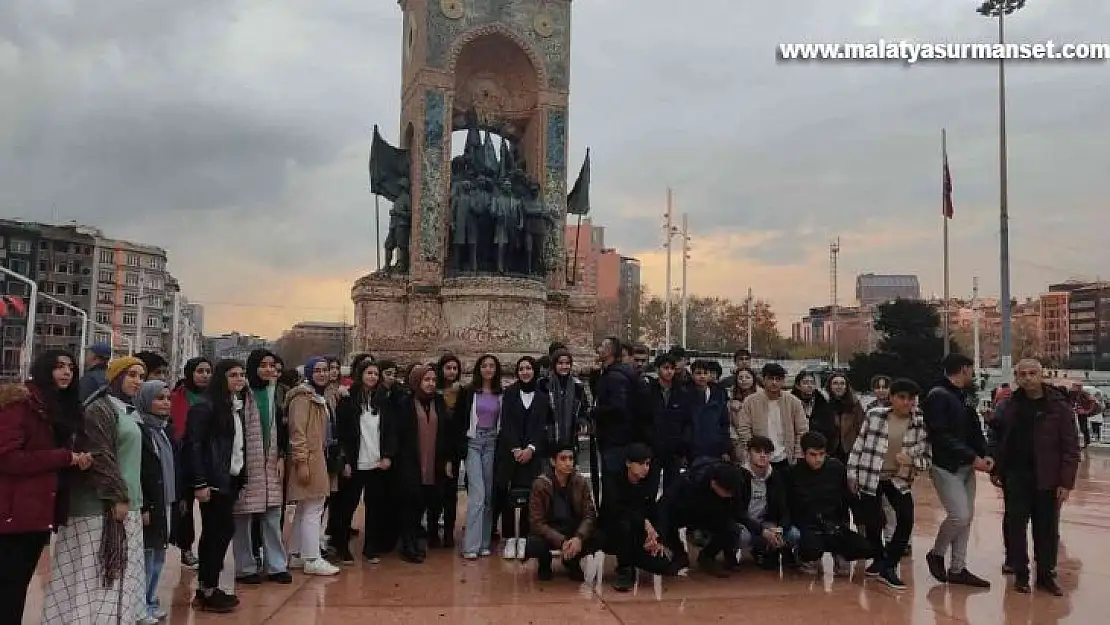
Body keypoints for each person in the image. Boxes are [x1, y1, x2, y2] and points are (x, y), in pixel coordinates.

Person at [42, 356, 148, 624]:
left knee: (117, 576)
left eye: (141, 376)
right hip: (99, 508)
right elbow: (100, 455)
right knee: (90, 575)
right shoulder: (99, 409)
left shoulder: (129, 410)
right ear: (115, 377)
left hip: (126, 505)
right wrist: (117, 497)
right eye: (132, 374)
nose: (137, 381)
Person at [0, 351, 90, 624]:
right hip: (13, 512)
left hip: (39, 512)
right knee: (9, 587)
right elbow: (8, 458)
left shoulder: (59, 408)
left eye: (71, 368)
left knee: (16, 585)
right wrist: (64, 457)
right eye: (59, 367)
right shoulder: (21, 405)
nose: (66, 372)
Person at [988, 359, 1080, 596]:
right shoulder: (1008, 406)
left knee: (1047, 529)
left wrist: (1066, 482)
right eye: (1023, 374)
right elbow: (995, 437)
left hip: (1048, 477)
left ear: (1041, 375)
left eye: (1032, 373)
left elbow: (1071, 446)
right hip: (1016, 476)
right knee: (1016, 526)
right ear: (1017, 378)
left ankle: (1046, 575)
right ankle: (1020, 573)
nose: (1028, 378)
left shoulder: (1059, 407)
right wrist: (996, 468)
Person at [847, 378, 931, 590]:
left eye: (911, 398)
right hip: (870, 475)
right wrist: (851, 473)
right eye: (902, 397)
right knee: (874, 523)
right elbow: (859, 443)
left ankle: (888, 563)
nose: (906, 402)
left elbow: (928, 459)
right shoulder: (875, 416)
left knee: (906, 519)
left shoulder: (921, 423)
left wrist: (912, 461)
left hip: (898, 479)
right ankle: (879, 560)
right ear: (892, 398)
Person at [185, 359, 251, 611]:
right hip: (213, 481)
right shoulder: (206, 407)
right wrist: (200, 482)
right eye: (233, 374)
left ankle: (208, 585)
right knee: (216, 532)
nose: (239, 379)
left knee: (221, 532)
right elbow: (195, 445)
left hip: (230, 478)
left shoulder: (232, 406)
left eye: (241, 374)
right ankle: (208, 588)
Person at [922, 353, 992, 588]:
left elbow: (975, 430)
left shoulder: (963, 396)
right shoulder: (937, 396)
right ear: (963, 369)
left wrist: (985, 454)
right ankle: (936, 553)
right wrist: (972, 457)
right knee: (959, 515)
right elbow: (940, 435)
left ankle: (958, 568)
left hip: (966, 466)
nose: (973, 374)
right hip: (946, 466)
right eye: (971, 370)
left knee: (966, 518)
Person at [232, 349, 290, 583]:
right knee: (243, 517)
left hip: (271, 463)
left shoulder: (276, 393)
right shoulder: (242, 392)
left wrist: (282, 456)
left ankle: (276, 565)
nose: (268, 369)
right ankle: (246, 567)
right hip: (246, 463)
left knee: (273, 515)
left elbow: (283, 428)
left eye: (271, 365)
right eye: (263, 365)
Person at [334, 360, 396, 563]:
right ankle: (341, 546)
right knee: (347, 506)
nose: (373, 377)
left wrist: (388, 455)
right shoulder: (348, 399)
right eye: (369, 373)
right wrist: (345, 461)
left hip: (376, 463)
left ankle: (371, 547)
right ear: (361, 375)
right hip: (355, 462)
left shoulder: (383, 400)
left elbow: (389, 432)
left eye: (376, 374)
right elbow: (341, 433)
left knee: (375, 507)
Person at [284, 357, 342, 576]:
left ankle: (297, 553)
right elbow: (297, 432)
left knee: (305, 508)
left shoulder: (318, 396)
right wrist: (301, 462)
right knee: (314, 507)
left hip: (318, 457)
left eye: (325, 370)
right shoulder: (303, 397)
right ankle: (312, 557)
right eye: (317, 370)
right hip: (310, 458)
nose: (322, 374)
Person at [392, 364, 454, 563]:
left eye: (433, 380)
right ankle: (408, 544)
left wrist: (447, 460)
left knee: (424, 502)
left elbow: (446, 431)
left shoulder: (438, 402)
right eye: (426, 380)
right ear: (417, 381)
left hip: (434, 461)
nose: (430, 384)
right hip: (410, 461)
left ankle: (416, 539)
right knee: (409, 503)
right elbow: (398, 434)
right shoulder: (405, 403)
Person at [789, 431, 872, 576]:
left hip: (835, 525)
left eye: (821, 454)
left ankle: (839, 554)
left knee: (864, 547)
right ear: (803, 454)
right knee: (810, 551)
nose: (818, 459)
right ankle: (806, 557)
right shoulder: (794, 473)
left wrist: (860, 521)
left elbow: (849, 498)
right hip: (809, 527)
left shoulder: (836, 468)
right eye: (813, 455)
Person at [599, 443, 675, 592]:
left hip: (638, 536)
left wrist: (656, 537)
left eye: (647, 464)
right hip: (613, 533)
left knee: (663, 564)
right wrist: (644, 522)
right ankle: (625, 569)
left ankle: (633, 559)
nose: (645, 468)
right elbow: (614, 510)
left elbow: (654, 511)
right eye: (640, 464)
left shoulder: (648, 483)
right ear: (628, 463)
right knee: (624, 524)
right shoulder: (613, 481)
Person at [497, 357, 549, 560]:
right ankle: (510, 537)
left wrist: (531, 448)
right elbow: (506, 423)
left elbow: (541, 427)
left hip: (532, 455)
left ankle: (526, 537)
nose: (525, 372)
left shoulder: (542, 397)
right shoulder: (509, 394)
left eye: (528, 368)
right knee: (508, 494)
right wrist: (515, 448)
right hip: (512, 453)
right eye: (521, 369)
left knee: (530, 495)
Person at [657, 460, 746, 577]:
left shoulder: (733, 484)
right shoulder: (688, 482)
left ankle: (708, 556)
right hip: (682, 513)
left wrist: (760, 530)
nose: (730, 495)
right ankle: (679, 555)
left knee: (732, 528)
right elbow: (664, 505)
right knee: (667, 523)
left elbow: (739, 513)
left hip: (710, 514)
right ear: (714, 483)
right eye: (727, 492)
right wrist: (659, 536)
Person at [525, 441, 598, 581]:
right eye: (563, 459)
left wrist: (578, 537)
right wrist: (562, 541)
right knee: (534, 542)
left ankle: (572, 561)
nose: (568, 463)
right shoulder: (540, 484)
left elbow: (589, 514)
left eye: (571, 459)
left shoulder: (580, 482)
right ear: (553, 461)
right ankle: (545, 563)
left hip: (572, 528)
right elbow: (536, 522)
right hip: (550, 530)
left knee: (598, 536)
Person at [135, 380, 176, 624]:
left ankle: (150, 600)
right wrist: (145, 504)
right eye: (159, 398)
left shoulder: (161, 430)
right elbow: (140, 471)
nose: (165, 403)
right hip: (151, 502)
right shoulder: (141, 431)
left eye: (168, 399)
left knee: (159, 553)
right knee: (147, 554)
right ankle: (142, 604)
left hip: (165, 500)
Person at [169, 356, 212, 569]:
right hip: (182, 461)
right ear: (190, 373)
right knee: (185, 510)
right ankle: (186, 548)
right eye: (200, 371)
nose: (204, 375)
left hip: (209, 462)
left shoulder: (215, 398)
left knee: (210, 511)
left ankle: (209, 552)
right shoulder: (176, 397)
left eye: (207, 371)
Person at [736, 435, 796, 570]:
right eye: (758, 451)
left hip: (767, 521)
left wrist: (780, 529)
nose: (763, 456)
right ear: (748, 453)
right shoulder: (738, 475)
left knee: (793, 535)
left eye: (767, 452)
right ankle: (736, 554)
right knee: (742, 536)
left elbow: (784, 508)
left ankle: (768, 551)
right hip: (744, 522)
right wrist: (762, 531)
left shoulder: (776, 477)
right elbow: (737, 512)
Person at [734, 363, 808, 471]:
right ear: (763, 380)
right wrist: (755, 451)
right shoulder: (750, 401)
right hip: (758, 459)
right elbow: (743, 429)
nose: (774, 382)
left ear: (783, 381)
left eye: (778, 379)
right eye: (770, 379)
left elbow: (802, 430)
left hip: (787, 458)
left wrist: (797, 456)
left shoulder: (793, 402)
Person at [686, 360, 732, 465]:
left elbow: (724, 423)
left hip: (715, 449)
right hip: (692, 450)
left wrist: (725, 449)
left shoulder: (719, 394)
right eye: (698, 373)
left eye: (705, 373)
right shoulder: (685, 395)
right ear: (692, 375)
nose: (702, 376)